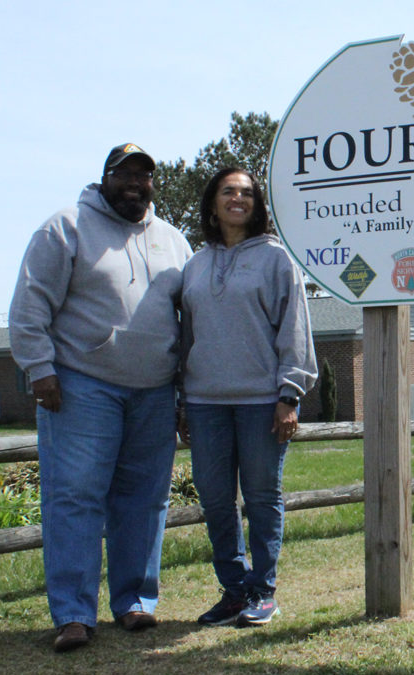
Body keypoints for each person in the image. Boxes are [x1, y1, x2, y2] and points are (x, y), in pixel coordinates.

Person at [9, 144, 192, 652]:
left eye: (144, 175)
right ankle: (73, 613)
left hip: (155, 390)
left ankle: (135, 602)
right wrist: (39, 369)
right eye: (124, 173)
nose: (135, 182)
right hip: (82, 385)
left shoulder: (174, 242)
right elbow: (30, 303)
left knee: (145, 501)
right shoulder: (65, 228)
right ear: (105, 178)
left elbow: (189, 321)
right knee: (75, 496)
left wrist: (184, 391)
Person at [178, 167, 317, 628]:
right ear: (213, 203)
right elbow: (186, 335)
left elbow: (294, 328)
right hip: (205, 402)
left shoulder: (277, 259)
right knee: (216, 500)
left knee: (261, 498)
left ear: (257, 204)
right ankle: (234, 591)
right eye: (227, 191)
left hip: (262, 401)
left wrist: (289, 395)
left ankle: (263, 591)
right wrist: (182, 396)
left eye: (247, 193)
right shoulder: (195, 265)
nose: (237, 198)